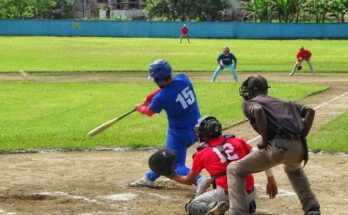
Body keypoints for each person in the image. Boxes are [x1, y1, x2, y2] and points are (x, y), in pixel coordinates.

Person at [227, 75, 321, 215]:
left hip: (278, 148)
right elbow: (310, 111)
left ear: (251, 91)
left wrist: (265, 140)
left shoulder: (249, 103)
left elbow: (258, 110)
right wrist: (301, 137)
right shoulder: (283, 103)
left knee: (234, 169)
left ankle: (238, 212)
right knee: (294, 170)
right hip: (299, 150)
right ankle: (312, 209)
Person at [129, 59, 210, 196]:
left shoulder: (161, 97)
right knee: (165, 157)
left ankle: (199, 180)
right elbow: (167, 87)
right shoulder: (183, 79)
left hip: (179, 134)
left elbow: (149, 111)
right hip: (198, 129)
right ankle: (149, 177)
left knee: (174, 164)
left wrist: (140, 107)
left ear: (158, 80)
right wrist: (150, 96)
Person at [170, 116, 278, 215]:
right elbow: (263, 157)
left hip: (227, 195)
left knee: (192, 206)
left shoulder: (201, 154)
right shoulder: (237, 141)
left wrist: (170, 174)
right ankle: (248, 205)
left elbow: (188, 181)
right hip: (250, 193)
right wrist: (271, 179)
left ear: (204, 134)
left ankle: (214, 207)